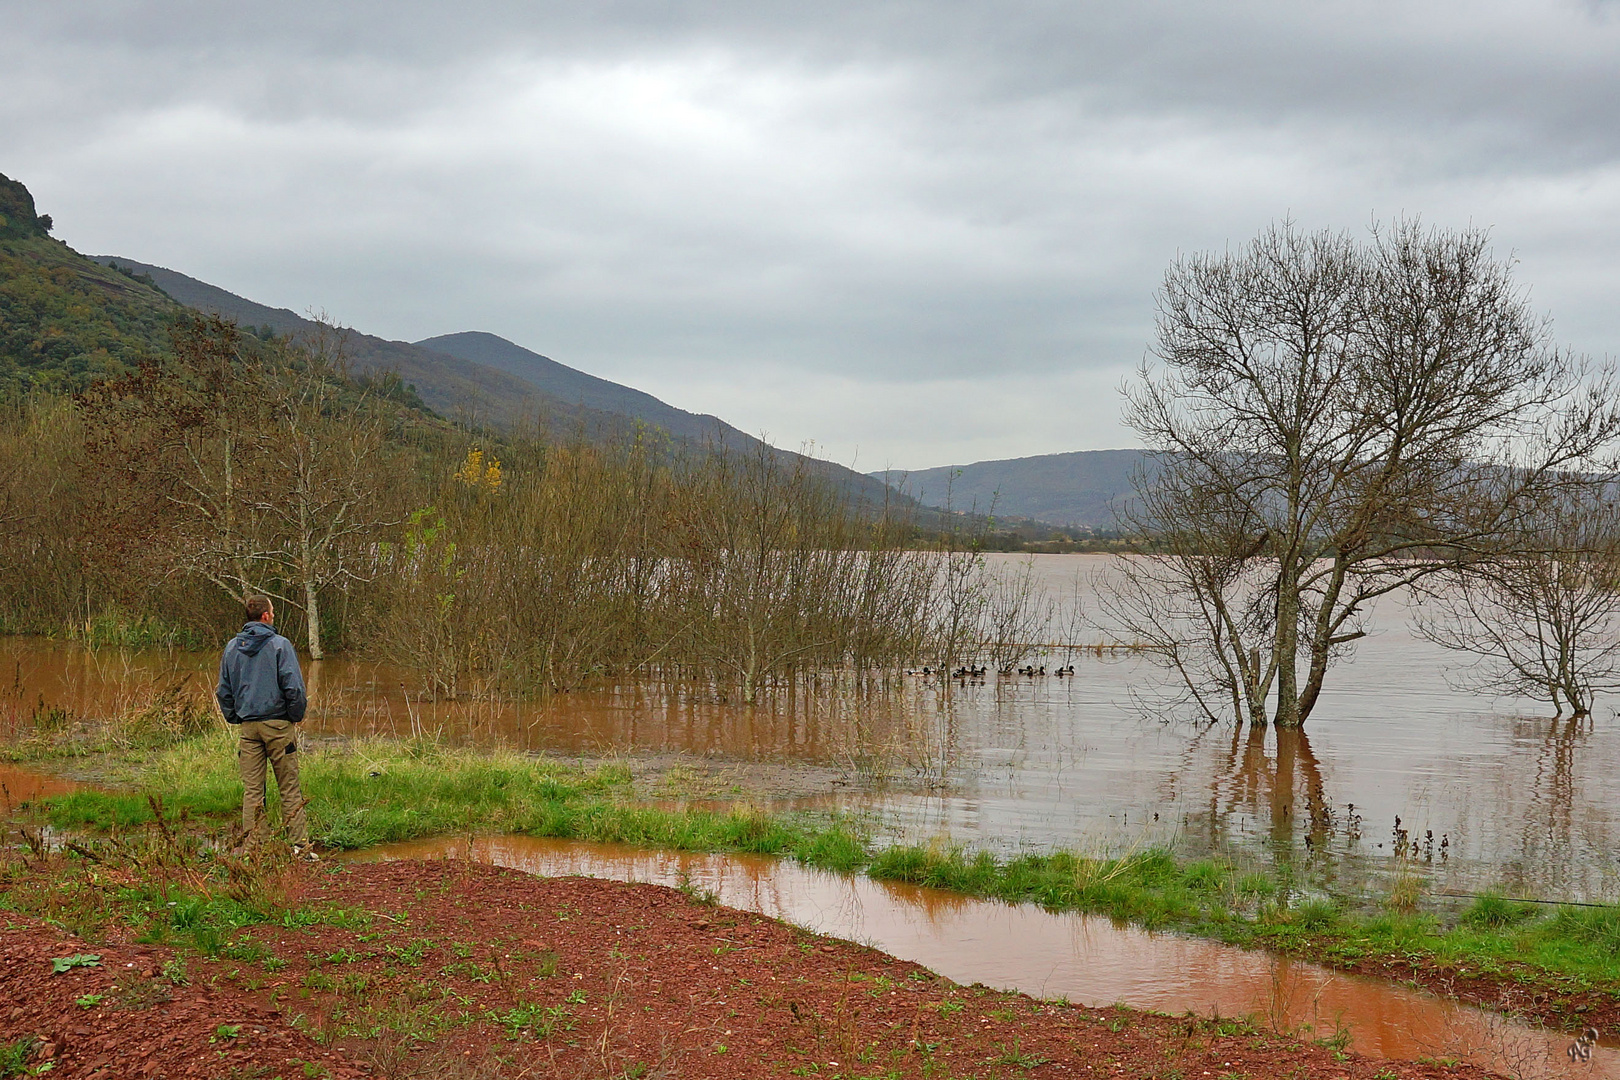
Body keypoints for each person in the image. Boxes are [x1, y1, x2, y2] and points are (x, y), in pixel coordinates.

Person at [216, 594, 316, 858]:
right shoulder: (279, 645)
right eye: (272, 611)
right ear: (266, 616)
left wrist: (236, 716)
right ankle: (300, 848)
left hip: (248, 728)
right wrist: (294, 715)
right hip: (278, 726)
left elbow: (223, 691)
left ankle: (253, 851)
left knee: (252, 791)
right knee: (289, 787)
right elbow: (294, 687)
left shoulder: (231, 648)